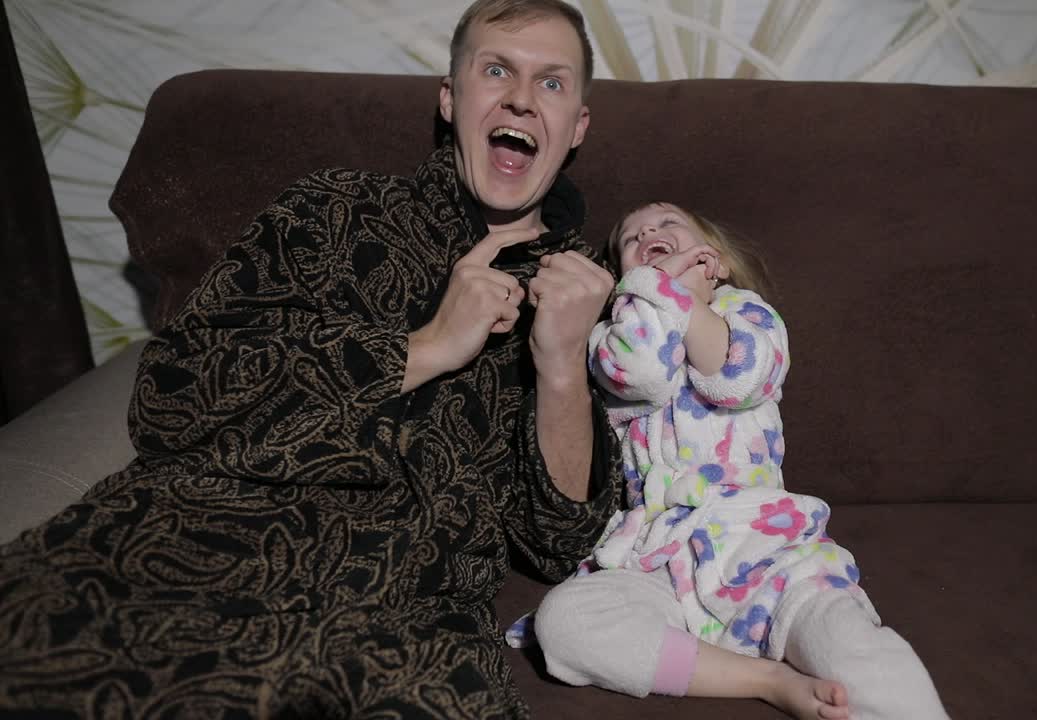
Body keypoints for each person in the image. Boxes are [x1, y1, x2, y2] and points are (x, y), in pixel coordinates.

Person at [0, 1, 621, 717]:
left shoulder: (587, 294)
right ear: (451, 99)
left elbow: (559, 543)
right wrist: (421, 348)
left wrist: (561, 365)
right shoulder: (331, 211)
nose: (521, 97)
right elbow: (172, 397)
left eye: (551, 82)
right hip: (184, 547)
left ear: (577, 126)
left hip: (396, 622)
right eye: (496, 70)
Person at [527, 202, 951, 720]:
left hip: (763, 545)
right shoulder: (612, 337)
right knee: (566, 623)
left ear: (717, 261)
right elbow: (641, 376)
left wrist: (683, 299)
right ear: (623, 281)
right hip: (659, 553)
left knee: (845, 640)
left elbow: (736, 379)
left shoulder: (748, 315)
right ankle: (767, 679)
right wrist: (650, 292)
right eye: (631, 240)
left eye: (668, 224)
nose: (649, 232)